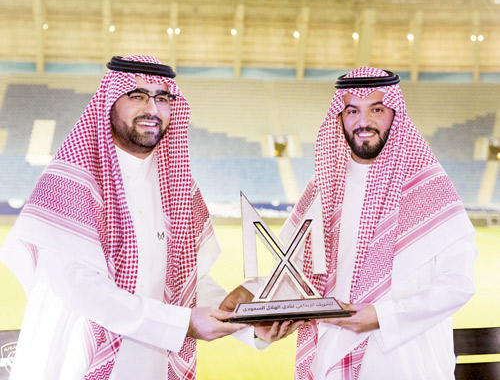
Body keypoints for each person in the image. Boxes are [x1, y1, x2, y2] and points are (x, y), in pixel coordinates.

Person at [0, 55, 251, 379]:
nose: (152, 108)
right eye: (137, 96)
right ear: (109, 101)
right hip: (75, 361)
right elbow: (80, 288)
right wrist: (182, 323)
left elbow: (186, 278)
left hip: (151, 364)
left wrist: (238, 315)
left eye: (162, 98)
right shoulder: (71, 182)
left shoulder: (180, 187)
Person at [220, 67, 477, 379]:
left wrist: (383, 316)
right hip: (331, 358)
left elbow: (457, 283)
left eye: (376, 109)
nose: (363, 121)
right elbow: (294, 272)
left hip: (406, 363)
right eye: (352, 110)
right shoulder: (323, 187)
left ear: (395, 114)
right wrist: (254, 298)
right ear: (340, 117)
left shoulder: (428, 187)